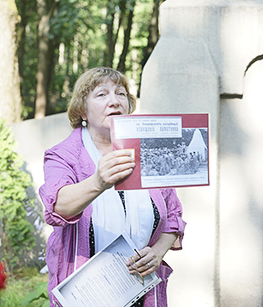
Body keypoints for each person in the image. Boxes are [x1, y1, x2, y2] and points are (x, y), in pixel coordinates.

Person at [39, 67, 186, 307]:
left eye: (120, 93)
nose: (114, 101)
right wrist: (98, 182)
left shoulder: (149, 151)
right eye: (101, 94)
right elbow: (58, 207)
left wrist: (158, 252)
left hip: (142, 290)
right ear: (81, 110)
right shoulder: (64, 155)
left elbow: (173, 216)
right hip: (87, 295)